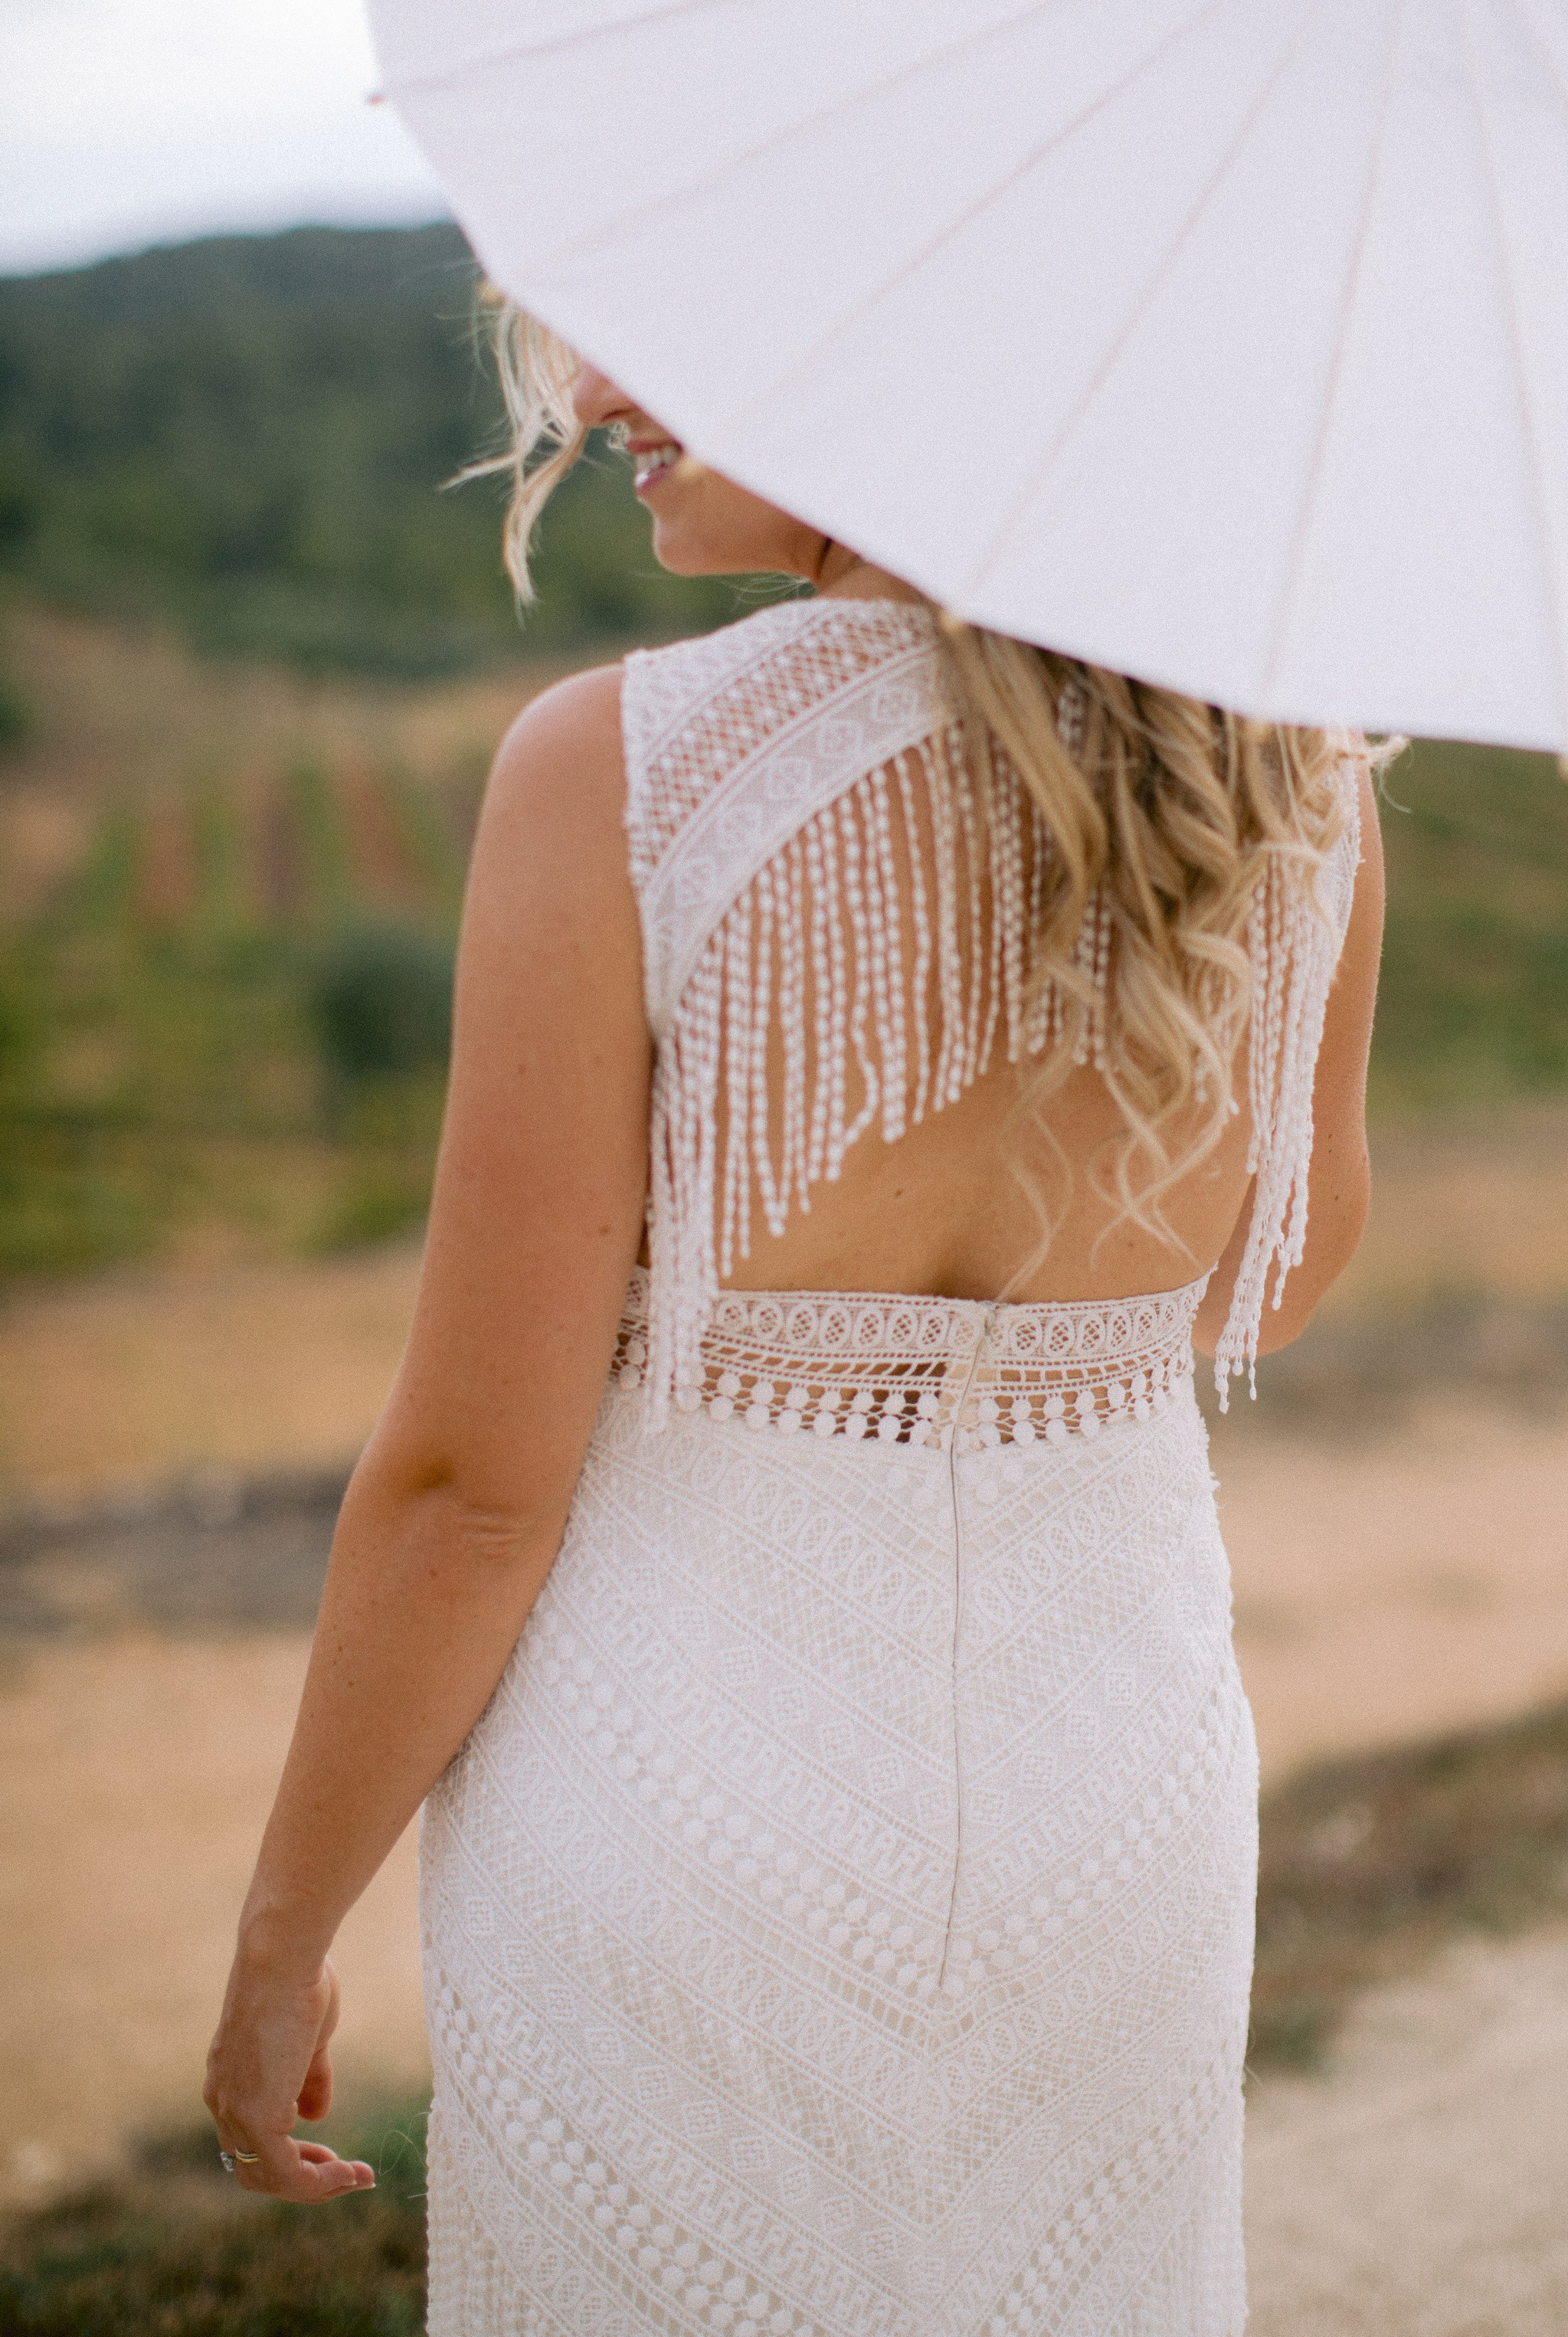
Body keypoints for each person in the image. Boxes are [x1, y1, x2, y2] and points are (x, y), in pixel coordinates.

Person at [205, 308, 1385, 2335]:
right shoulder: (1291, 787)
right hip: (1116, 1808)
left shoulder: (624, 773)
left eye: (666, 321)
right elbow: (1275, 1268)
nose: (588, 400)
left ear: (900, 319)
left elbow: (473, 1485)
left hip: (677, 1814)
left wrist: (278, 1940)